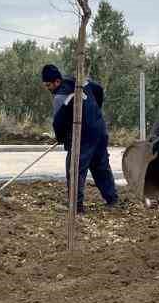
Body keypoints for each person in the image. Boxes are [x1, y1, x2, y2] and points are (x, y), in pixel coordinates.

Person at [41, 64, 119, 211]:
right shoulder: (79, 82)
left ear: (57, 82)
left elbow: (58, 123)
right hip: (99, 129)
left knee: (74, 168)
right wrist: (94, 111)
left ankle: (76, 206)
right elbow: (99, 90)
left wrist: (61, 138)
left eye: (48, 85)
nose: (48, 88)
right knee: (101, 166)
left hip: (83, 136)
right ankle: (112, 199)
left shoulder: (60, 97)